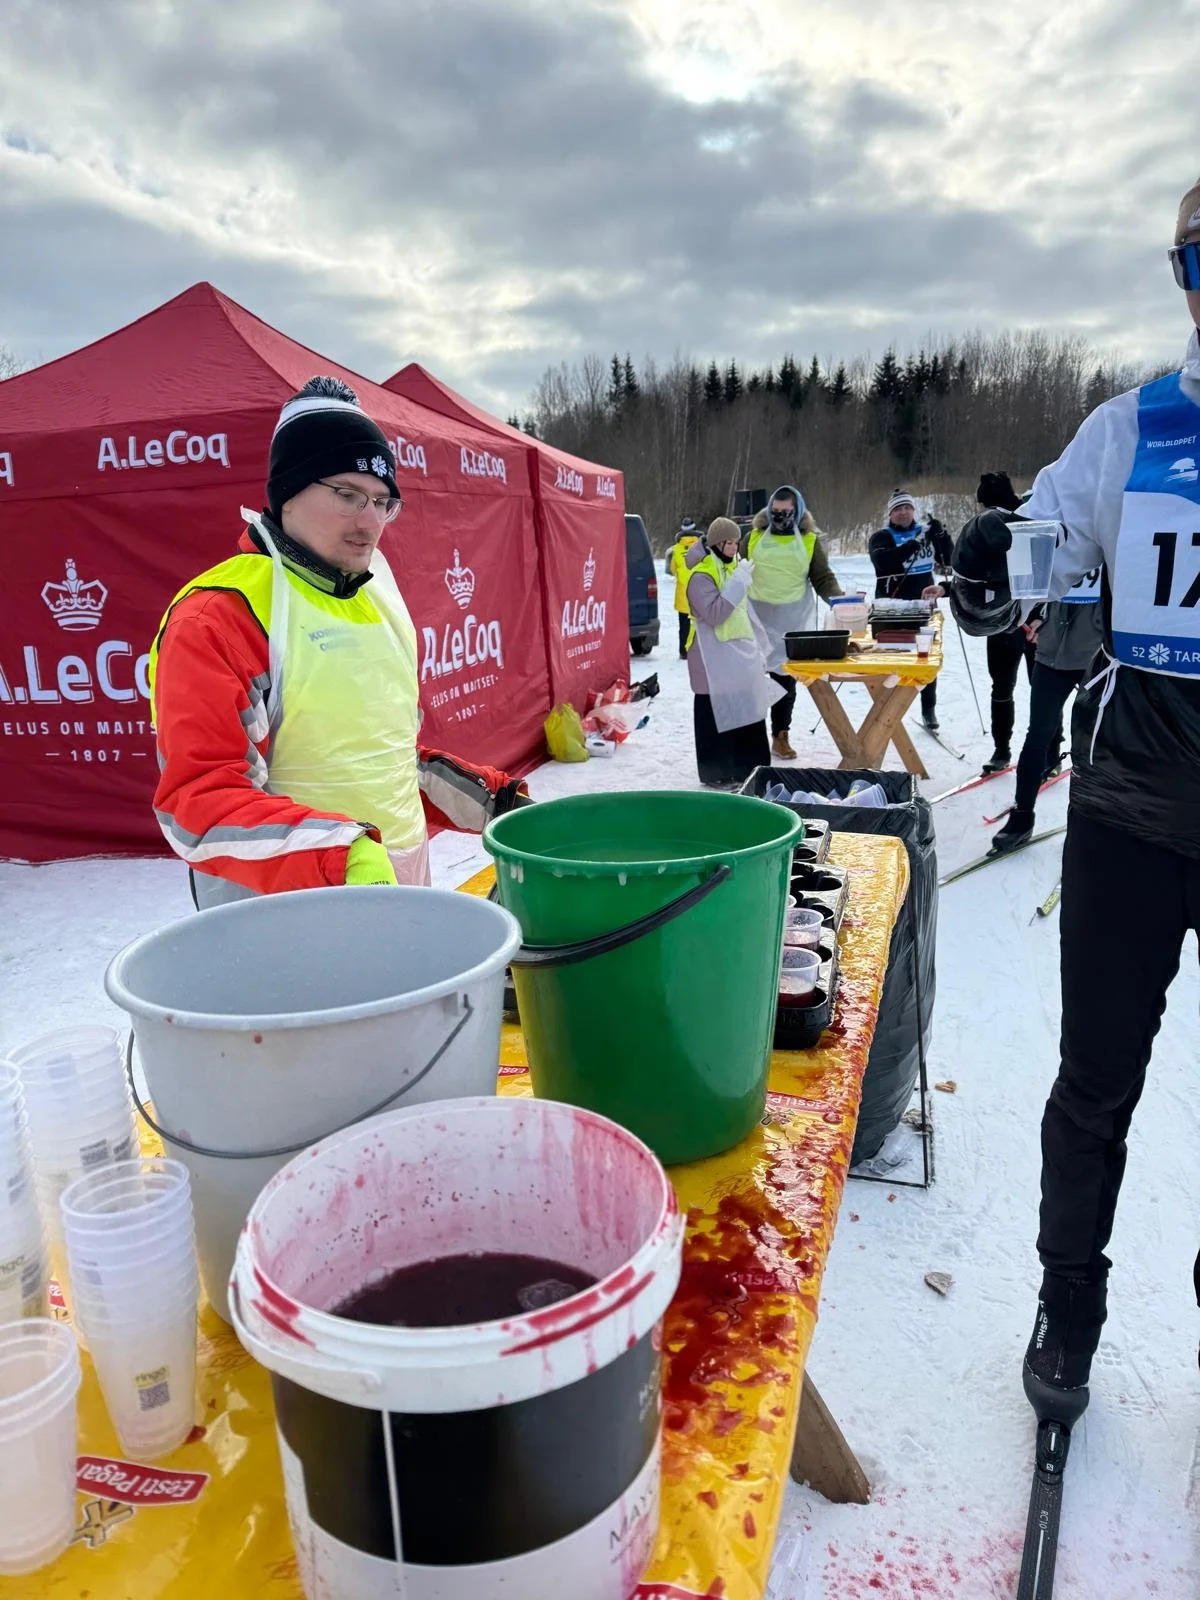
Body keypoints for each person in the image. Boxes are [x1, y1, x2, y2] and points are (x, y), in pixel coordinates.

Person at [1015, 176, 1200, 1429]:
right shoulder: (1134, 427)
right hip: (1136, 805)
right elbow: (1047, 530)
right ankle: (1067, 1305)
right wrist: (1012, 571)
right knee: (1096, 1083)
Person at [150, 376, 427, 907]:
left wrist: (486, 795)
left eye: (383, 501)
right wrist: (342, 855)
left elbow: (379, 757)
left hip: (397, 891)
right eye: (347, 495)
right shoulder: (218, 617)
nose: (370, 522)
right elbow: (199, 802)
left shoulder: (376, 598)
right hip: (282, 925)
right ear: (288, 493)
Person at [989, 568, 1102, 852]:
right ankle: (1022, 817)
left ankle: (1098, 824)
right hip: (1051, 656)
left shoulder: (1111, 534)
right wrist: (1034, 617)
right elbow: (1029, 586)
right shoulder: (1060, 535)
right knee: (1037, 735)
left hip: (1096, 657)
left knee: (1097, 741)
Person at [744, 485, 844, 760]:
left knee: (784, 681)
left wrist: (840, 601)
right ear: (768, 511)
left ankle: (780, 734)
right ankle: (750, 737)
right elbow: (735, 569)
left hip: (791, 621)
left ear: (797, 512)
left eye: (787, 512)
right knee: (751, 681)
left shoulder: (810, 540)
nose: (780, 517)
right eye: (776, 511)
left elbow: (822, 578)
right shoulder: (752, 537)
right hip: (755, 619)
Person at [684, 517, 777, 786]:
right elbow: (714, 615)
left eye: (737, 543)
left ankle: (751, 768)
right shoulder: (701, 575)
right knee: (713, 716)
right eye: (730, 543)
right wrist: (737, 585)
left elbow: (742, 611)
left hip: (736, 656)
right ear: (716, 543)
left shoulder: (732, 566)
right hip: (708, 659)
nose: (735, 548)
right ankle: (717, 772)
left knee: (747, 711)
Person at [969, 472, 1039, 773]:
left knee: (1042, 690)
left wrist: (1041, 618)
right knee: (1001, 689)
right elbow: (976, 574)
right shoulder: (985, 530)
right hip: (1001, 625)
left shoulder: (1031, 523)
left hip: (1034, 626)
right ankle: (1001, 750)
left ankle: (1048, 751)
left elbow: (1048, 579)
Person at [868, 491, 952, 729]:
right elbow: (884, 562)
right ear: (890, 514)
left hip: (924, 605)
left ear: (913, 510)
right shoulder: (882, 536)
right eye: (897, 509)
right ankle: (886, 707)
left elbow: (950, 559)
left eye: (907, 508)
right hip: (892, 606)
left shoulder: (925, 533)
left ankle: (929, 710)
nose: (903, 512)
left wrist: (941, 536)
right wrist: (913, 544)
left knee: (926, 658)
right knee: (890, 657)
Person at [665, 516, 701, 658]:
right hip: (699, 593)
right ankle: (697, 650)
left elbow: (673, 569)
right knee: (699, 625)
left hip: (682, 594)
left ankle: (683, 651)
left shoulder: (676, 549)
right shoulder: (701, 546)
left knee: (684, 626)